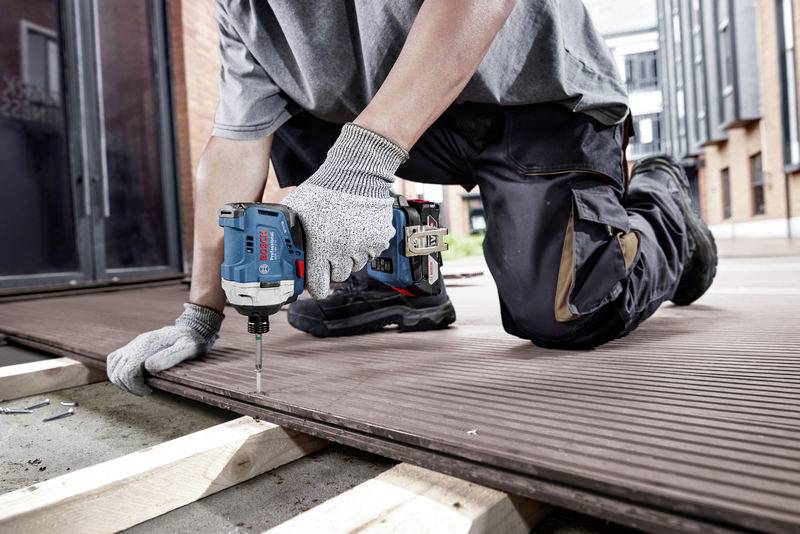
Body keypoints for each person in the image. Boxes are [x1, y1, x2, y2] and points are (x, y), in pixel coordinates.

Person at [107, 0, 717, 396]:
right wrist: (201, 310)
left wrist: (363, 162)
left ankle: (663, 208)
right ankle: (397, 279)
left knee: (562, 310)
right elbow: (236, 146)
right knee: (287, 119)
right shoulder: (242, 13)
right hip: (418, 121)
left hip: (536, 103)